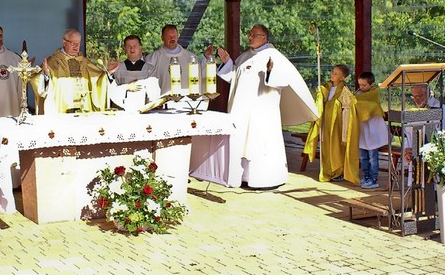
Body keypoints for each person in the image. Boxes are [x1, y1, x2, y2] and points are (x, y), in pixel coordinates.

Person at [216, 24, 318, 189]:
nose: (250, 37)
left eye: (254, 34)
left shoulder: (274, 56)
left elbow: (283, 81)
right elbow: (235, 78)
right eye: (249, 34)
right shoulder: (244, 57)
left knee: (259, 144)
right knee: (241, 142)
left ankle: (266, 179)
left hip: (262, 113)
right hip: (242, 112)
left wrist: (270, 73)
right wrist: (227, 62)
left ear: (264, 37)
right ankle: (242, 177)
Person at [304, 64, 360, 184]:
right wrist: (320, 94)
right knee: (325, 146)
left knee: (335, 148)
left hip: (336, 125)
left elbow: (349, 109)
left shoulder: (344, 91)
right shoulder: (326, 88)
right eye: (332, 72)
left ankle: (338, 171)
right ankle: (327, 170)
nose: (332, 75)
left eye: (336, 74)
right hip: (326, 123)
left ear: (342, 78)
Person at [38, 29, 113, 114]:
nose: (77, 47)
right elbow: (39, 85)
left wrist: (108, 73)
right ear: (64, 42)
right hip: (62, 109)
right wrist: (46, 75)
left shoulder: (85, 62)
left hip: (84, 108)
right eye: (73, 43)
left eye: (79, 43)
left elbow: (98, 79)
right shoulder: (52, 62)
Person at [107, 35, 160, 111]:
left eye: (135, 45)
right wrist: (127, 87)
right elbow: (111, 90)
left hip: (145, 111)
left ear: (140, 47)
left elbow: (154, 92)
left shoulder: (150, 69)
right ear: (125, 49)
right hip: (121, 110)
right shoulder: (117, 68)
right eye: (129, 46)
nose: (132, 48)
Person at [355, 71, 389, 189]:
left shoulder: (374, 94)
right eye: (360, 84)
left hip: (373, 131)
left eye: (364, 85)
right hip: (363, 130)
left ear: (371, 84)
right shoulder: (357, 94)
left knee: (373, 158)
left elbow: (367, 106)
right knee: (363, 157)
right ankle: (366, 177)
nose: (361, 87)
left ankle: (374, 179)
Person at [144, 24, 197, 95]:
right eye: (169, 36)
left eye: (174, 36)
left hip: (186, 101)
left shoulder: (190, 57)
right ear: (162, 38)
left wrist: (207, 58)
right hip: (162, 101)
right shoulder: (152, 59)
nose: (172, 39)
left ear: (178, 36)